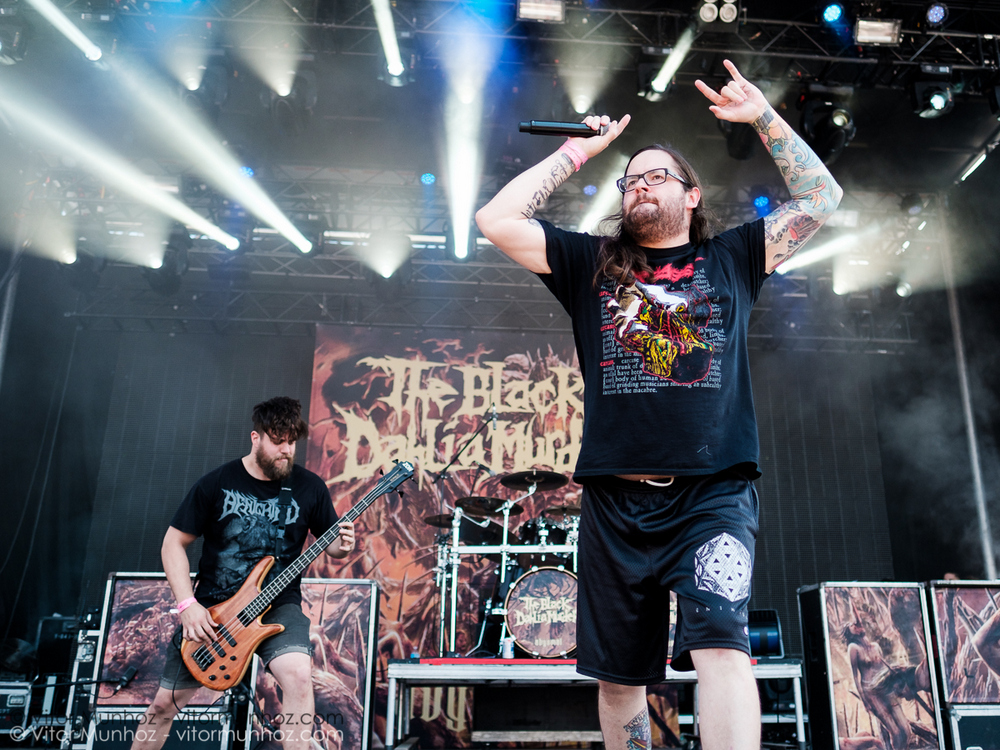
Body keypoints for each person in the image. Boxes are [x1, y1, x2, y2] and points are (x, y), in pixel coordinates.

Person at [476, 60, 842, 750]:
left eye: (657, 176)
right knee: (619, 679)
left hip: (712, 493)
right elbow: (495, 219)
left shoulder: (734, 257)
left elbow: (823, 199)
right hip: (616, 502)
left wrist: (764, 117)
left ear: (692, 195)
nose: (640, 184)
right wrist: (576, 152)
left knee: (723, 650)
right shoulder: (590, 263)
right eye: (630, 179)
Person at [130, 396, 355, 750]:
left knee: (298, 678)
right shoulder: (217, 482)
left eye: (291, 442)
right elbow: (173, 544)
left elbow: (335, 547)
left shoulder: (309, 487)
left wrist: (345, 543)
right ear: (256, 438)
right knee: (162, 707)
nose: (286, 450)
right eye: (277, 441)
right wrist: (187, 605)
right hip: (216, 611)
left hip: (278, 605)